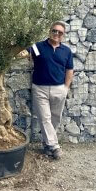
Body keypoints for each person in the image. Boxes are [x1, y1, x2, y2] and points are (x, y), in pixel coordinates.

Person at [17, 21, 74, 160]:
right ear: (50, 31)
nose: (56, 34)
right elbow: (25, 53)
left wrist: (66, 88)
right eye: (54, 31)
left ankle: (47, 145)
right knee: (45, 118)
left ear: (63, 35)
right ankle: (55, 146)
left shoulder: (66, 51)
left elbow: (69, 70)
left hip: (59, 89)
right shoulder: (39, 47)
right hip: (40, 89)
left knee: (55, 118)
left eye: (60, 32)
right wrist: (20, 52)